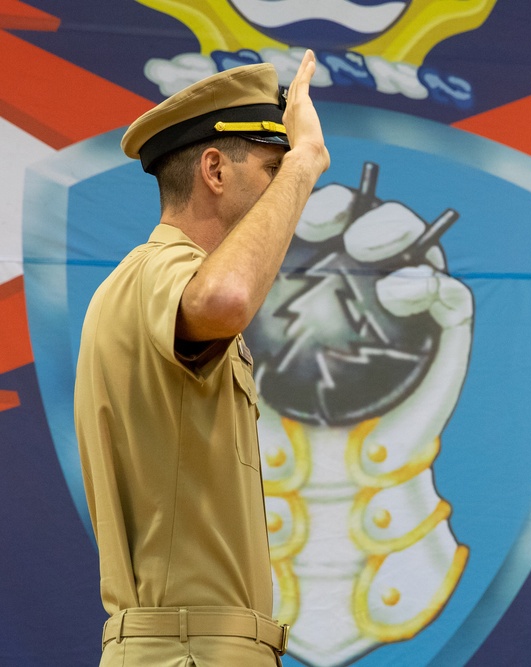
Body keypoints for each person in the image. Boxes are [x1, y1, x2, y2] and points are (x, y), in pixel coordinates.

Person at [74, 51, 330, 666]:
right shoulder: (163, 270)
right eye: (269, 168)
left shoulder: (145, 281)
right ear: (214, 168)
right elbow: (227, 298)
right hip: (188, 651)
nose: (281, 182)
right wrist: (305, 163)